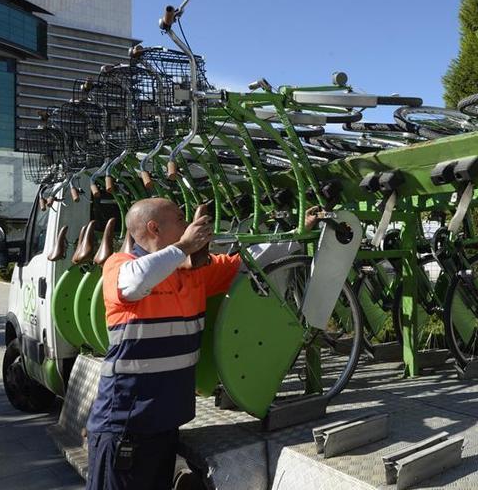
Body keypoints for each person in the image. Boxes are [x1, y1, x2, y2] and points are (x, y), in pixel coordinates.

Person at [85, 198, 316, 489]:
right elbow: (135, 282)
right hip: (124, 425)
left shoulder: (194, 274)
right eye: (181, 219)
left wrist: (298, 232)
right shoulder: (120, 266)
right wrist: (184, 246)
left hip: (164, 424)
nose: (189, 225)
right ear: (154, 227)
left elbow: (252, 261)